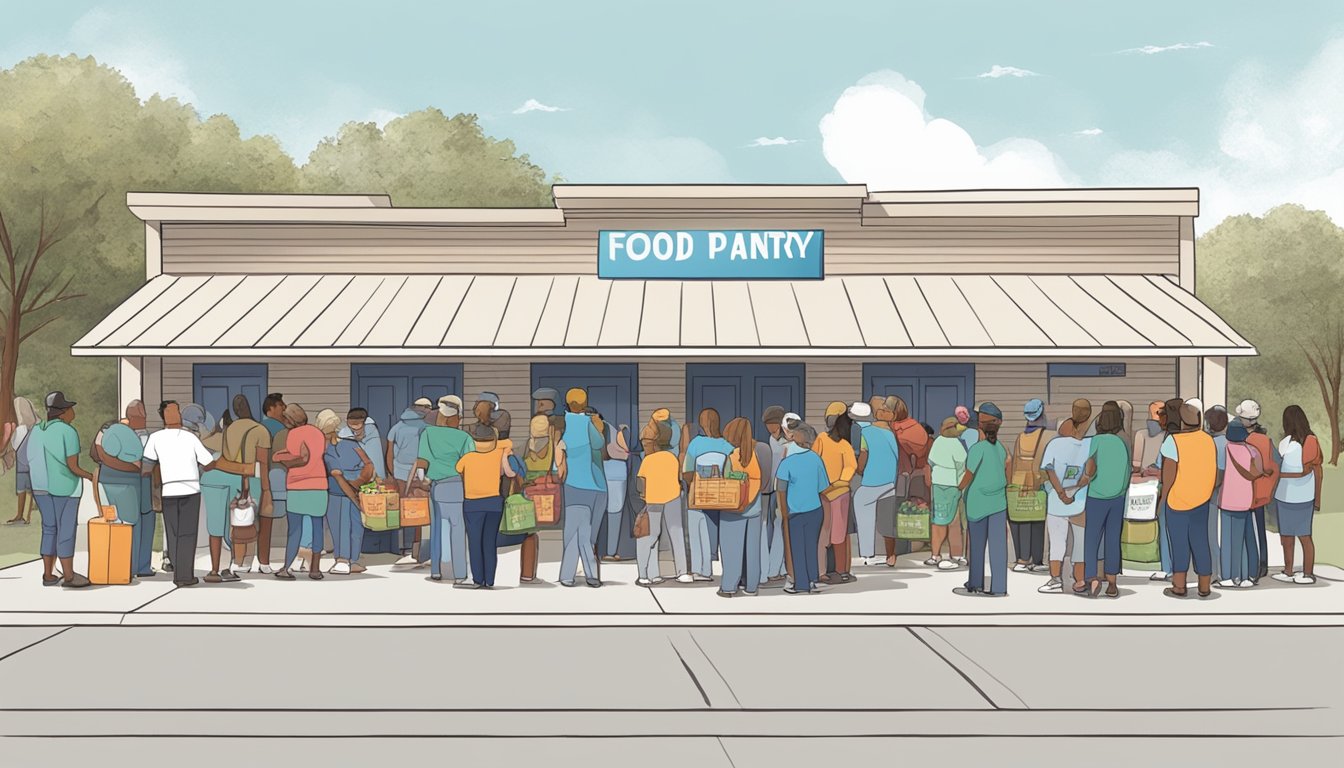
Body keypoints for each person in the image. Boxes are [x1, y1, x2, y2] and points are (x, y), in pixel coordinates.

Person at [142, 401, 215, 587]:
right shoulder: (190, 438)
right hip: (190, 489)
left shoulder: (155, 438)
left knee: (173, 532)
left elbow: (146, 468)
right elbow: (208, 462)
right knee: (187, 534)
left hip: (169, 490)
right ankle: (184, 575)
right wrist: (197, 469)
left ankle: (178, 571)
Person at [409, 396, 475, 583]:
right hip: (457, 486)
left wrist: (425, 481)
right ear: (456, 417)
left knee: (436, 529)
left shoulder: (427, 434)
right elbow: (469, 466)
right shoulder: (465, 438)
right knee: (458, 529)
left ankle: (436, 570)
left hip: (435, 487)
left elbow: (421, 465)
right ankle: (460, 573)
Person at [33, 392, 94, 588]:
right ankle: (69, 576)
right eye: (70, 408)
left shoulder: (36, 430)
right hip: (65, 488)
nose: (72, 411)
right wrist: (91, 476)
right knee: (66, 530)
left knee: (49, 529)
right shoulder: (68, 432)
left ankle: (48, 574)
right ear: (63, 412)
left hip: (40, 487)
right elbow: (73, 467)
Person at [1158, 403, 1217, 598]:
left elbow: (1168, 477)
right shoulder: (1208, 440)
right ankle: (1204, 587)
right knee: (1201, 542)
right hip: (1202, 500)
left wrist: (1161, 501)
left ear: (1180, 420)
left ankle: (1179, 586)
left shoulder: (1173, 442)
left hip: (1178, 501)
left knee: (1179, 543)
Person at [92, 400, 154, 577]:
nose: (143, 418)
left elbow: (99, 453)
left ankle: (137, 566)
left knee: (133, 523)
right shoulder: (136, 436)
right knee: (131, 524)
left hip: (121, 482)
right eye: (140, 415)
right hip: (132, 484)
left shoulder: (111, 433)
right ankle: (132, 567)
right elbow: (143, 464)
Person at [1075, 402, 1131, 598]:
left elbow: (1089, 468)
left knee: (1091, 538)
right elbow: (1127, 470)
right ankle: (1113, 583)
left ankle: (1093, 579)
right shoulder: (1123, 442)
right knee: (1113, 539)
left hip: (1096, 496)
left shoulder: (1095, 441)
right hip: (1118, 497)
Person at [955, 403, 1010, 598]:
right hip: (998, 504)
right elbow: (1007, 471)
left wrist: (958, 489)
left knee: (977, 547)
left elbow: (968, 475)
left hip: (977, 504)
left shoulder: (977, 449)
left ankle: (975, 583)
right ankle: (999, 587)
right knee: (998, 548)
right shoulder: (1001, 449)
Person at [1038, 400, 1092, 595]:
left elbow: (1049, 470)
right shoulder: (1090, 444)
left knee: (1057, 542)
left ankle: (1055, 580)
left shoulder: (1054, 443)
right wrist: (1075, 490)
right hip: (1080, 502)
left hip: (1056, 502)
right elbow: (1089, 473)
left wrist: (1061, 492)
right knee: (1080, 542)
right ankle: (1079, 581)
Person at [455, 422, 515, 588]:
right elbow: (508, 443)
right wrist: (499, 445)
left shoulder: (467, 457)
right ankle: (490, 580)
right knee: (489, 543)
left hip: (473, 504)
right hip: (494, 503)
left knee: (475, 543)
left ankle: (478, 579)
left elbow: (458, 468)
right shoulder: (497, 453)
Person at [557, 388, 607, 588]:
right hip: (598, 486)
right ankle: (591, 574)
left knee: (574, 532)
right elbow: (599, 443)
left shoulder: (564, 424)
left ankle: (568, 575)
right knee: (589, 534)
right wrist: (597, 425)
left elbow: (558, 458)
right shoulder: (589, 423)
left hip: (575, 485)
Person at [271, 404, 327, 580]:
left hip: (298, 486)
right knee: (318, 528)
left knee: (295, 530)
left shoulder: (293, 434)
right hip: (319, 485)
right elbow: (313, 455)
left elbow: (300, 457)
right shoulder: (318, 433)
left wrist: (279, 458)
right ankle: (315, 569)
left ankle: (286, 567)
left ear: (290, 420)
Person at [221, 395, 275, 576]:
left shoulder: (229, 430)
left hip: (235, 480)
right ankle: (264, 562)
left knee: (239, 520)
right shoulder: (260, 430)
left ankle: (239, 561)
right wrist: (267, 489)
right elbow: (263, 462)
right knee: (263, 521)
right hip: (256, 479)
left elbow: (227, 457)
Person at [682, 407, 734, 583]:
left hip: (698, 496)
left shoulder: (696, 443)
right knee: (712, 532)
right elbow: (730, 471)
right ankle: (709, 569)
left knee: (696, 533)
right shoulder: (727, 445)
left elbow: (687, 470)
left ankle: (700, 569)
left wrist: (692, 484)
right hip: (719, 497)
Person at [775, 422, 828, 595]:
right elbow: (823, 486)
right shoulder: (816, 459)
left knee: (796, 547)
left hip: (794, 512)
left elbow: (781, 490)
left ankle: (800, 584)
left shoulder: (787, 463)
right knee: (810, 546)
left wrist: (783, 512)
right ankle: (813, 581)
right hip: (815, 510)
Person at [1272, 405, 1322, 585]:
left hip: (1301, 495)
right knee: (1286, 536)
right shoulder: (1285, 442)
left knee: (1303, 535)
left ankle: (1308, 574)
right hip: (1284, 495)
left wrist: (1280, 475)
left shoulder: (1310, 441)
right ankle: (1288, 570)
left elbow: (1308, 470)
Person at [323, 408, 373, 575]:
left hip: (339, 493)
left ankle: (342, 560)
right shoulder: (353, 444)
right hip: (355, 491)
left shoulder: (329, 450)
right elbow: (369, 464)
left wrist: (353, 491)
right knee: (356, 527)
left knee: (341, 526)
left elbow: (338, 477)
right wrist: (359, 482)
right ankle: (353, 560)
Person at [718, 417, 763, 597]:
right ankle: (751, 586)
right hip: (754, 508)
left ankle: (729, 586)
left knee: (731, 549)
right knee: (752, 550)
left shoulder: (732, 456)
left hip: (733, 508)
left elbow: (727, 476)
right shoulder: (755, 454)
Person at [883, 396, 930, 567]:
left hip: (897, 476)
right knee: (898, 513)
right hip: (903, 476)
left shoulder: (899, 429)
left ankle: (893, 554)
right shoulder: (913, 427)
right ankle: (896, 552)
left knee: (892, 514)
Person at [1216, 422, 1264, 589]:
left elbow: (1220, 473)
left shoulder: (1225, 449)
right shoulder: (1252, 450)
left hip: (1227, 499)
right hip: (1245, 500)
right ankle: (1244, 577)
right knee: (1243, 539)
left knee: (1227, 540)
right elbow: (1258, 471)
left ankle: (1228, 576)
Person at [813, 402, 856, 583]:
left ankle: (841, 570)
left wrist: (834, 483)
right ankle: (831, 569)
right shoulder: (823, 439)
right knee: (829, 533)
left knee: (836, 533)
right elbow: (815, 461)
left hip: (835, 493)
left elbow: (850, 467)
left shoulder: (842, 444)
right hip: (828, 492)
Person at [1235, 399, 1278, 581]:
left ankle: (1254, 567)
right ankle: (1262, 565)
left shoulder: (1244, 440)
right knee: (1259, 529)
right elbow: (1272, 465)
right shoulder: (1265, 439)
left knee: (1249, 531)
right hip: (1261, 491)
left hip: (1248, 491)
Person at [635, 421, 681, 586]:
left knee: (648, 538)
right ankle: (673, 573)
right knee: (674, 534)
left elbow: (640, 483)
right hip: (673, 499)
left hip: (653, 501)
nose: (644, 445)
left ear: (655, 442)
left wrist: (644, 494)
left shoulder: (648, 460)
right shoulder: (672, 458)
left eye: (645, 442)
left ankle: (645, 575)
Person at [388, 398, 434, 565]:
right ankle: (418, 551)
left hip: (400, 472)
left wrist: (393, 471)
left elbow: (389, 452)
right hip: (421, 472)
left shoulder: (397, 427)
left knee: (401, 510)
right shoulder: (427, 428)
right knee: (421, 512)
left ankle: (401, 548)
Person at [1008, 398, 1051, 573]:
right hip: (1038, 481)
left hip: (1018, 482)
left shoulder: (1020, 436)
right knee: (1038, 521)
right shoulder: (1048, 436)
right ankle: (1037, 560)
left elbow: (1015, 462)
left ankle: (1022, 559)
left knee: (1021, 520)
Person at [855, 400, 899, 567]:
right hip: (889, 482)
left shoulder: (866, 432)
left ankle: (867, 554)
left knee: (862, 506)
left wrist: (859, 469)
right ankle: (891, 555)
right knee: (887, 520)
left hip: (872, 481)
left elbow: (864, 456)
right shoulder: (890, 434)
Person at [1151, 396, 1187, 580]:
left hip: (1170, 490)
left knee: (1166, 529)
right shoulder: (1189, 435)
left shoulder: (1170, 438)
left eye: (1163, 415)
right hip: (1186, 491)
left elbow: (1163, 468)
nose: (1160, 419)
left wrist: (1161, 498)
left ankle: (1168, 568)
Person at [928, 417, 968, 569]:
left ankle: (935, 555)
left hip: (938, 483)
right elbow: (961, 466)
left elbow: (931, 462)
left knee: (938, 520)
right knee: (954, 521)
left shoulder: (937, 442)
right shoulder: (956, 444)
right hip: (953, 484)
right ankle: (956, 555)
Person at [758, 405, 790, 586]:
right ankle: (775, 568)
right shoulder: (771, 440)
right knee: (775, 526)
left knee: (780, 526)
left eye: (772, 423)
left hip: (785, 487)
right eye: (767, 424)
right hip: (772, 488)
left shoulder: (788, 442)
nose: (770, 427)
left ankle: (778, 568)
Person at [600, 419, 632, 562]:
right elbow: (625, 453)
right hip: (616, 475)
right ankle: (611, 551)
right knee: (614, 515)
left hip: (599, 474)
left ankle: (597, 550)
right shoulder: (611, 429)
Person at [5, 397, 38, 525]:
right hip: (30, 464)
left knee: (24, 490)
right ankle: (24, 515)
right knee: (29, 490)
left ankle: (22, 515)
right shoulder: (36, 428)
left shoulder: (20, 430)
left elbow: (14, 445)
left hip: (24, 464)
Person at [1133, 401, 1165, 477]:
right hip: (1163, 476)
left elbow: (1136, 464)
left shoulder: (1141, 434)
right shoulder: (1172, 435)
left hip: (1146, 477)